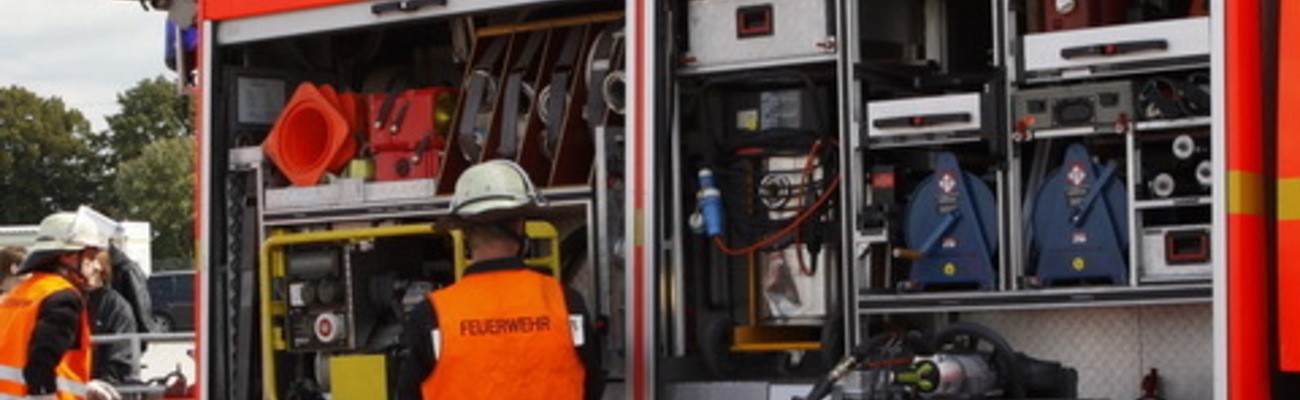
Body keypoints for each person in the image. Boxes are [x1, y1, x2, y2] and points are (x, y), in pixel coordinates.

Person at [398, 160, 603, 400]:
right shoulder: (564, 302)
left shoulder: (432, 314)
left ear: (466, 232)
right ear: (519, 225)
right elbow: (592, 386)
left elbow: (408, 394)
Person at [0, 212, 121, 400]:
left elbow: (21, 357)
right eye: (91, 256)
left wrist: (82, 387)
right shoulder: (62, 297)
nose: (97, 266)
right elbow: (41, 363)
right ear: (69, 257)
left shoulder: (20, 293)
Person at [88, 251, 138, 386]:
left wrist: (102, 385)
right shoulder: (70, 299)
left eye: (89, 260)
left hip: (102, 387)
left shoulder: (116, 306)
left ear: (100, 268)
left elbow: (120, 357)